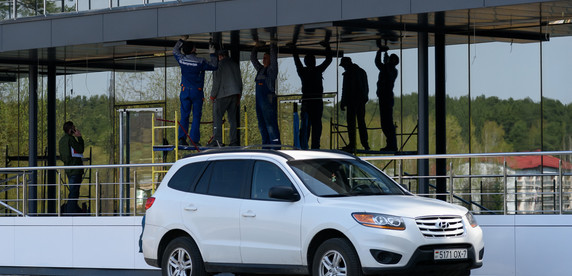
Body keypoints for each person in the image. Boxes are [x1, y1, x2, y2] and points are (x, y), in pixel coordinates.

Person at [173, 35, 218, 146]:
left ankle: (181, 139)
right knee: (196, 116)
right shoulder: (200, 62)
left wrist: (182, 40)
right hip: (196, 92)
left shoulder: (181, 60)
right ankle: (194, 140)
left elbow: (175, 50)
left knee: (184, 116)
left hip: (184, 91)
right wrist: (212, 53)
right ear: (193, 49)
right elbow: (214, 66)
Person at [292, 41, 332, 149]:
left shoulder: (303, 71)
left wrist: (294, 49)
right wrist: (327, 46)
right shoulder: (318, 70)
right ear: (314, 61)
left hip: (307, 102)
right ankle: (315, 146)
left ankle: (303, 146)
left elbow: (296, 61)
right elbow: (329, 59)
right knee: (316, 126)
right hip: (317, 102)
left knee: (306, 126)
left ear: (305, 62)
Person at [208, 49, 243, 147]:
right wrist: (239, 95)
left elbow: (216, 82)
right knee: (232, 119)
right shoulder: (235, 65)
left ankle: (217, 140)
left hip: (222, 95)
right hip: (235, 94)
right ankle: (234, 141)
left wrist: (212, 95)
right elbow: (240, 81)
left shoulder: (219, 65)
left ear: (220, 56)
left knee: (217, 116)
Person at [251, 41, 281, 146]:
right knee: (262, 125)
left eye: (266, 58)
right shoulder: (260, 70)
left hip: (268, 102)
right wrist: (255, 48)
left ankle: (275, 147)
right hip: (259, 103)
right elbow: (253, 60)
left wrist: (272, 44)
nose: (263, 60)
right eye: (263, 57)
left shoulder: (272, 71)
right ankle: (266, 146)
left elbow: (273, 59)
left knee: (270, 125)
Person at [339, 57, 370, 153]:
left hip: (352, 102)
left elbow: (345, 90)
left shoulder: (348, 74)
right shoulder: (362, 72)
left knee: (351, 123)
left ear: (346, 64)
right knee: (361, 123)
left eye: (343, 66)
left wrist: (343, 102)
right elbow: (366, 87)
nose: (343, 68)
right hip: (360, 102)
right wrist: (364, 98)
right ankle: (365, 144)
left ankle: (352, 144)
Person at [375, 41, 399, 151]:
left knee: (387, 123)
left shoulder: (392, 70)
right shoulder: (388, 68)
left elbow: (381, 66)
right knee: (385, 123)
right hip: (385, 97)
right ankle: (390, 144)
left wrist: (384, 60)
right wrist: (379, 52)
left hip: (386, 98)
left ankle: (391, 144)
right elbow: (378, 63)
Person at [58, 121, 84, 214]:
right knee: (74, 192)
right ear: (70, 130)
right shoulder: (71, 139)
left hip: (68, 169)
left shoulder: (61, 140)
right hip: (75, 169)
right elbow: (80, 149)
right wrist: (79, 137)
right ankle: (71, 211)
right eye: (74, 128)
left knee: (73, 190)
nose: (75, 129)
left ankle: (72, 209)